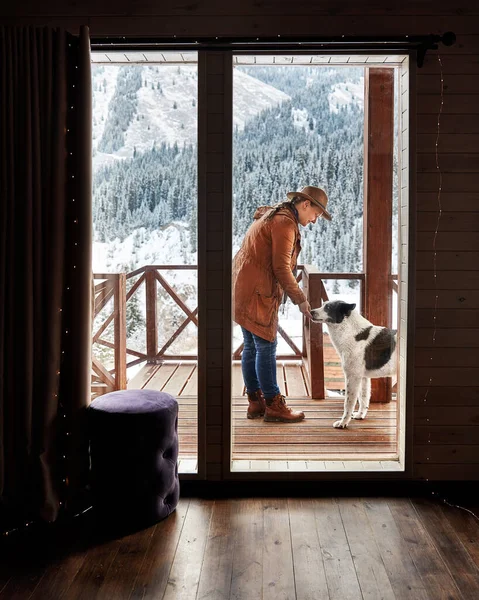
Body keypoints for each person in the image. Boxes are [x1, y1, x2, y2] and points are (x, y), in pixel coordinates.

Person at [233, 185, 332, 423]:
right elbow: (281, 268)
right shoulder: (285, 224)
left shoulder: (275, 214)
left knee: (251, 346)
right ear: (305, 204)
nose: (315, 221)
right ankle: (274, 404)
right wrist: (301, 300)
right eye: (316, 215)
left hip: (242, 288)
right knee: (266, 345)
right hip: (258, 292)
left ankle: (256, 403)